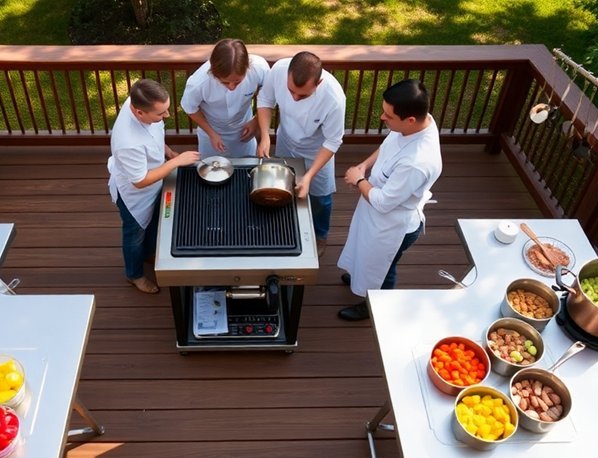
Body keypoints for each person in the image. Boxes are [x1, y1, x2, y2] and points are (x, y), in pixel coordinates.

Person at [336, 79, 443, 321]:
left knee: (383, 267)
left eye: (388, 115)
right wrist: (364, 166)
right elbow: (388, 145)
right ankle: (359, 274)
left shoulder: (418, 162)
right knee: (365, 252)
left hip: (392, 225)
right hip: (374, 210)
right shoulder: (418, 123)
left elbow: (384, 202)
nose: (382, 118)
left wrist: (358, 180)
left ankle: (374, 306)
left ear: (410, 120)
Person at [108, 78, 200, 294]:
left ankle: (148, 252)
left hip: (156, 179)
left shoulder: (139, 101)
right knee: (134, 234)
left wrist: (167, 152)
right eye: (160, 114)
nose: (166, 116)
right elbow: (140, 182)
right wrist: (175, 162)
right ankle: (134, 275)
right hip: (135, 196)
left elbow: (154, 135)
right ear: (139, 113)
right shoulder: (127, 142)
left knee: (154, 223)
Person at [256, 51, 346, 257]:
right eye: (291, 91)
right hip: (286, 140)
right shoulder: (278, 70)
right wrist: (265, 136)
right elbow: (265, 100)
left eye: (303, 95)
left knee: (321, 197)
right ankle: (287, 225)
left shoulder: (334, 99)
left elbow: (333, 141)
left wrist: (310, 174)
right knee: (284, 186)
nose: (295, 98)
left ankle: (320, 234)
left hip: (317, 150)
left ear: (319, 82)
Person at [180, 39, 269, 159]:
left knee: (246, 166)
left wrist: (256, 121)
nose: (232, 87)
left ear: (248, 67)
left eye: (237, 82)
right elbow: (190, 109)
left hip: (244, 128)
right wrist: (211, 134)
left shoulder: (259, 68)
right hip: (212, 131)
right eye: (225, 82)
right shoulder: (198, 83)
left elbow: (268, 96)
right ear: (213, 72)